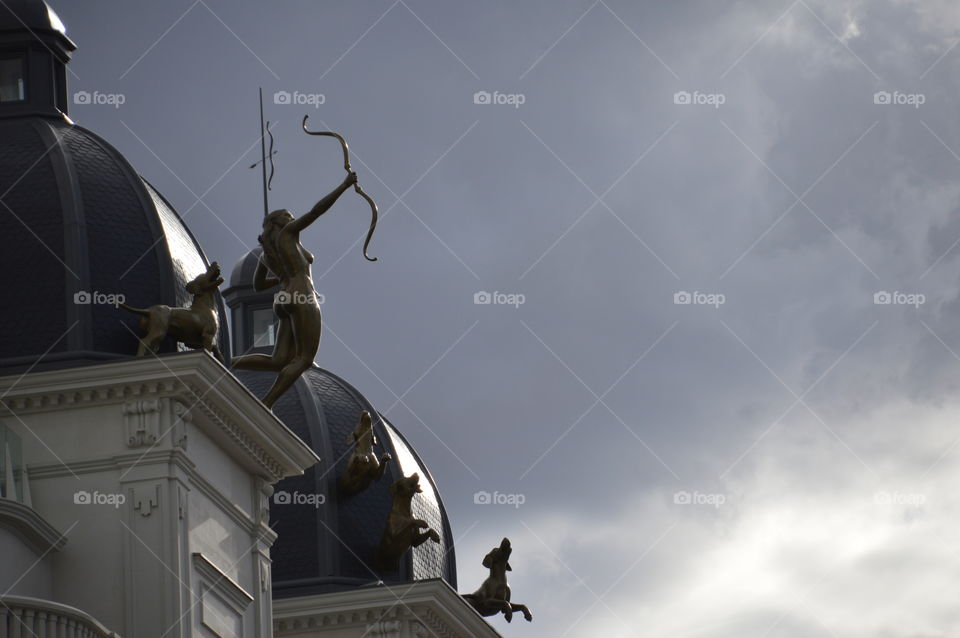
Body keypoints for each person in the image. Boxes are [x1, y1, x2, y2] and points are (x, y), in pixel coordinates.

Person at [232, 171, 358, 407]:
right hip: (303, 296)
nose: (292, 219)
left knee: (279, 360)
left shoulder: (268, 253)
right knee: (305, 359)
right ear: (278, 222)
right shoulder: (289, 235)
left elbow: (258, 285)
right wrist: (344, 186)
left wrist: (281, 278)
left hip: (284, 299)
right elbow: (315, 212)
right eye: (288, 216)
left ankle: (229, 361)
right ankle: (268, 402)